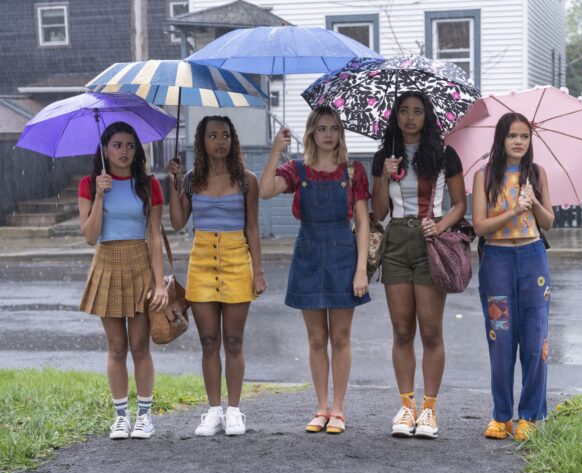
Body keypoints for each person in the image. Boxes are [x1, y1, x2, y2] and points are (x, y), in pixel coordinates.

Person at [259, 106, 370, 434]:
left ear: (340, 133)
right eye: (321, 128)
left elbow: (363, 222)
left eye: (334, 128)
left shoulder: (353, 171)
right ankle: (320, 407)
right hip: (308, 254)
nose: (328, 134)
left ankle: (338, 409)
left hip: (343, 256)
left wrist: (361, 269)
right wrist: (274, 152)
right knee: (317, 338)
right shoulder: (297, 169)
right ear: (311, 133)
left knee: (340, 336)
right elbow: (265, 191)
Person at [371, 91, 467, 439]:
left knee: (430, 331)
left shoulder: (444, 154)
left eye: (417, 111)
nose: (410, 117)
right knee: (401, 331)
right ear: (395, 116)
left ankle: (429, 409)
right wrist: (383, 174)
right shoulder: (384, 157)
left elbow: (459, 204)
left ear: (427, 117)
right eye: (404, 111)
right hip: (396, 241)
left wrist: (440, 225)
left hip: (431, 242)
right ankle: (406, 406)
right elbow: (379, 211)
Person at [167, 115, 266, 437]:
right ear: (202, 141)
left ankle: (235, 410)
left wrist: (258, 272)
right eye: (212, 135)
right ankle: (213, 411)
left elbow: (252, 228)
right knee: (209, 341)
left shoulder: (247, 180)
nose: (219, 141)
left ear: (232, 140)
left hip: (238, 259)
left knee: (234, 340)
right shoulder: (192, 180)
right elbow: (179, 222)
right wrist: (174, 182)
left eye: (225, 135)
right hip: (201, 261)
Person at [78, 121, 168, 440]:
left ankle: (145, 416)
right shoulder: (90, 183)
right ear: (104, 149)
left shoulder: (148, 184)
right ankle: (121, 416)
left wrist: (159, 285)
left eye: (130, 145)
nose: (124, 151)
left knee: (140, 345)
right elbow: (89, 236)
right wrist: (101, 196)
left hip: (139, 261)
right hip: (107, 262)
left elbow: (155, 236)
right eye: (117, 145)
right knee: (116, 347)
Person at [471, 112, 554, 441]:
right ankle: (501, 416)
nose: (519, 142)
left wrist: (532, 202)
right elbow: (480, 226)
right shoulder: (485, 175)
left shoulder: (537, 174)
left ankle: (530, 414)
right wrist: (513, 211)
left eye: (525, 136)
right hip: (498, 260)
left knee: (535, 340)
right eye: (513, 136)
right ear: (501, 139)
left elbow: (548, 223)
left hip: (534, 260)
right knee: (500, 339)